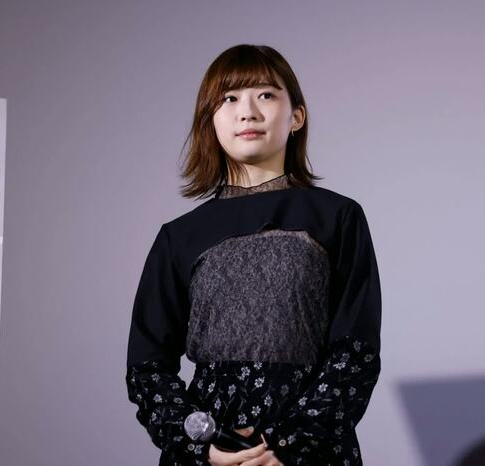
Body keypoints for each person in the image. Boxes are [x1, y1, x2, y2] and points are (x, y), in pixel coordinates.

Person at [125, 44, 382, 466]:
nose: (247, 112)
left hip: (311, 451)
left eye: (265, 94)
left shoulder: (338, 217)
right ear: (210, 119)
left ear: (296, 116)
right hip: (209, 452)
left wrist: (287, 446)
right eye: (229, 98)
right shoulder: (179, 236)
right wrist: (202, 446)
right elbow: (146, 367)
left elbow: (356, 350)